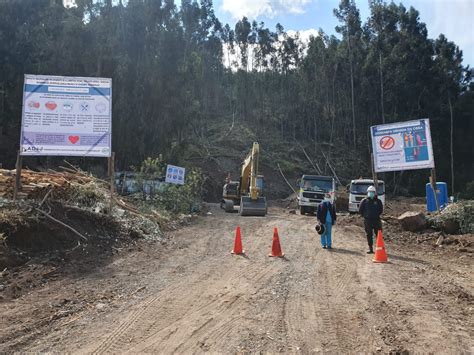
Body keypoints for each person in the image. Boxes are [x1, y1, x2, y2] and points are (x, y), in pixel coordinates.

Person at [359, 185, 383, 254]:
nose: (371, 193)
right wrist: (365, 216)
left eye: (372, 192)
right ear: (367, 192)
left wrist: (376, 215)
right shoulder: (364, 201)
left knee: (379, 234)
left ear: (375, 193)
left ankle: (380, 248)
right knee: (369, 234)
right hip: (367, 220)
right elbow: (360, 210)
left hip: (376, 220)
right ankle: (370, 248)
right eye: (370, 192)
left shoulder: (378, 201)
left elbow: (381, 210)